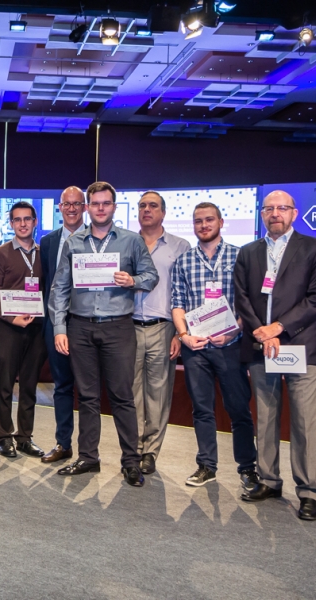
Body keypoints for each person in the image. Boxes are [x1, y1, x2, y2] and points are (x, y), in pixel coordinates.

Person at [50, 181, 159, 485]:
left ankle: (131, 461)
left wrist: (132, 280)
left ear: (114, 207)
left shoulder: (131, 241)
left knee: (122, 396)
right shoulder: (74, 242)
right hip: (80, 326)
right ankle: (88, 457)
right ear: (88, 207)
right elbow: (60, 288)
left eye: (106, 203)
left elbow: (151, 276)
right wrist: (59, 328)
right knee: (86, 396)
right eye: (95, 203)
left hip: (118, 327)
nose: (100, 208)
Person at [234, 189, 316, 521]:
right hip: (261, 346)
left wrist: (278, 328)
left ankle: (309, 491)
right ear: (262, 214)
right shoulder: (248, 252)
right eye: (269, 208)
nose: (275, 213)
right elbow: (241, 297)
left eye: (282, 208)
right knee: (266, 417)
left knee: (304, 421)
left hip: (301, 345)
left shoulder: (315, 247)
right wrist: (261, 332)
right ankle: (269, 480)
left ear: (294, 213)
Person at [171, 202, 258, 489]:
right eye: (198, 221)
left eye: (209, 220)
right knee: (202, 410)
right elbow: (177, 303)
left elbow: (248, 303)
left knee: (239, 409)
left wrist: (234, 330)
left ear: (221, 222)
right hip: (196, 347)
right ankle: (206, 466)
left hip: (231, 345)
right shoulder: (183, 261)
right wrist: (183, 336)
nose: (204, 225)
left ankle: (248, 468)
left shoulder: (240, 256)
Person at [132, 191, 190, 475]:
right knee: (131, 392)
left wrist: (180, 333)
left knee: (158, 393)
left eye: (153, 205)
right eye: (142, 205)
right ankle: (133, 448)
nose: (147, 210)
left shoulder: (180, 246)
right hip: (128, 326)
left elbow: (187, 292)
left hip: (163, 328)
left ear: (163, 212)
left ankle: (150, 452)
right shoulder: (127, 243)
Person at [0, 201, 47, 459]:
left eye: (27, 219)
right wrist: (12, 318)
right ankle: (4, 437)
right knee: (5, 386)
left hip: (37, 329)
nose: (23, 224)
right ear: (11, 224)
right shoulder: (0, 254)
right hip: (8, 328)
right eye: (17, 220)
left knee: (30, 386)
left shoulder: (44, 253)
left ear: (35, 222)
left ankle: (25, 437)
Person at [38, 186, 86, 464]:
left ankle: (89, 450)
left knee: (88, 388)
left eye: (76, 204)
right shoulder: (48, 242)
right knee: (62, 385)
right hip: (55, 322)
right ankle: (63, 443)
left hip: (86, 322)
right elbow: (47, 284)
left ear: (84, 207)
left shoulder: (96, 238)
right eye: (66, 204)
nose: (71, 209)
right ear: (59, 208)